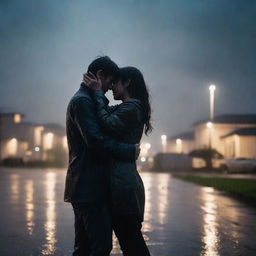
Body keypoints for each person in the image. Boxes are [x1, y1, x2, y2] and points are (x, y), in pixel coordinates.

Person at [64, 57, 140, 256]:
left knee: (85, 248)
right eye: (110, 80)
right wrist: (128, 151)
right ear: (99, 76)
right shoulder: (83, 102)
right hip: (87, 187)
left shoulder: (88, 100)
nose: (110, 86)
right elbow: (95, 141)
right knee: (100, 246)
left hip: (87, 186)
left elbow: (111, 117)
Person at [83, 66, 152, 256]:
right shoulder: (126, 107)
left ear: (127, 82)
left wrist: (97, 92)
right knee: (130, 244)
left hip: (124, 186)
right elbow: (103, 113)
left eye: (116, 82)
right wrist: (96, 94)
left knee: (132, 245)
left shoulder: (133, 107)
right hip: (121, 184)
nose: (112, 86)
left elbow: (106, 123)